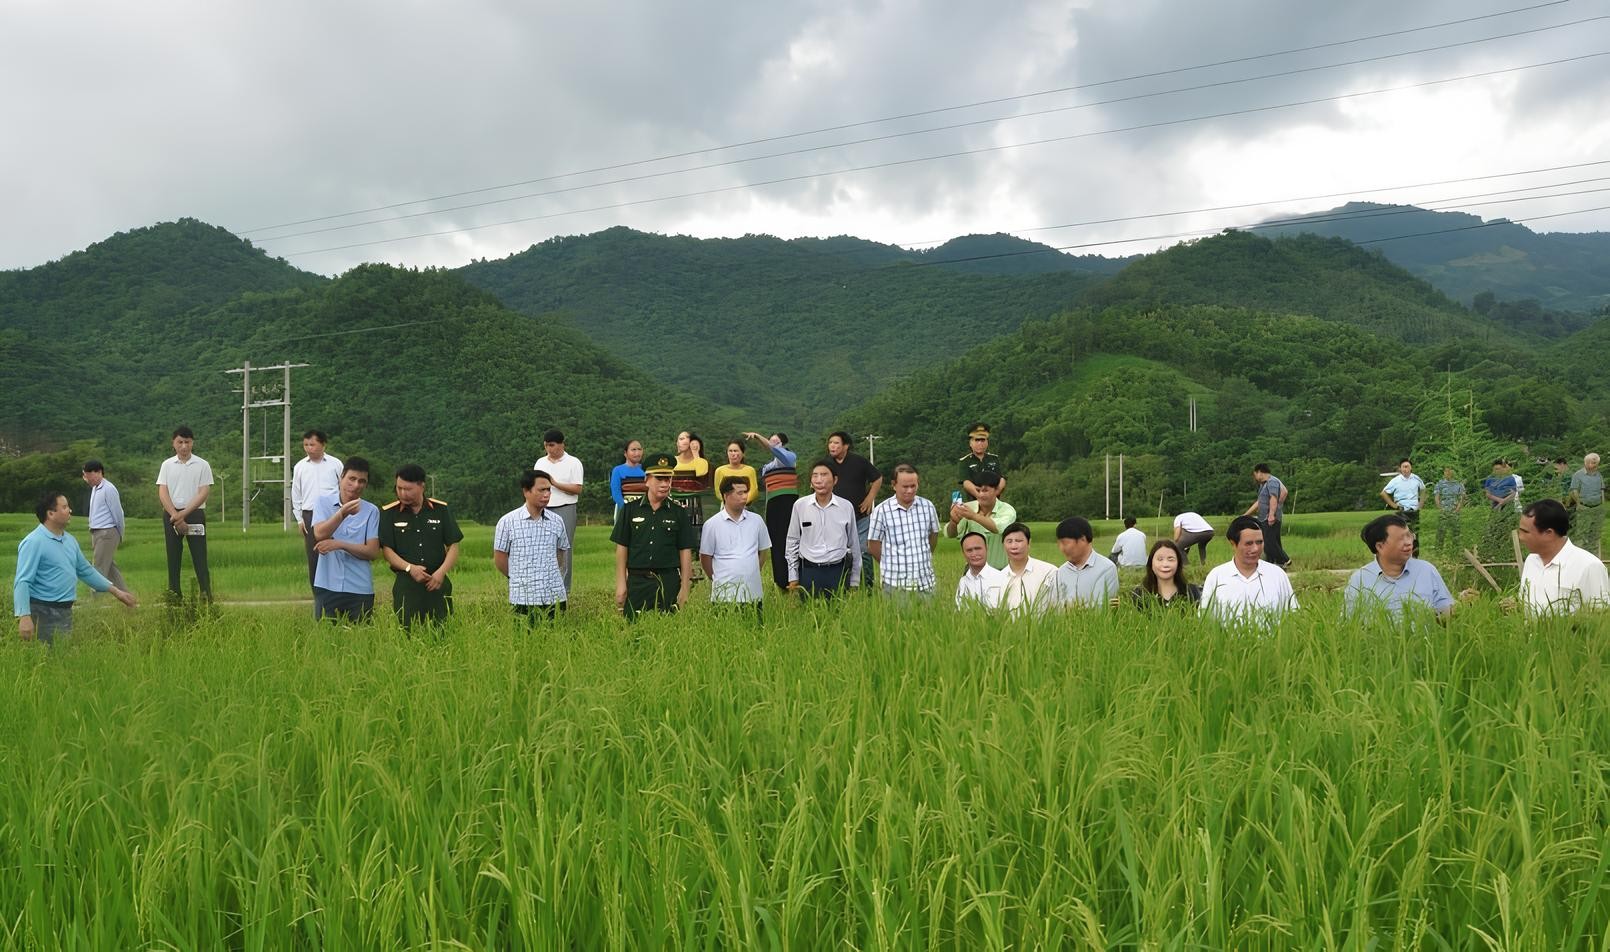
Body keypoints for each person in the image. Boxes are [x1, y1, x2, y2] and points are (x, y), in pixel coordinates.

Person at [14, 490, 137, 644]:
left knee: (62, 658)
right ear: (51, 514)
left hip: (65, 611)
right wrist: (24, 616)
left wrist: (117, 592)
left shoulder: (69, 540)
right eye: (65, 507)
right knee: (45, 660)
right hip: (42, 611)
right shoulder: (33, 542)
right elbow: (23, 581)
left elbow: (85, 570)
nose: (70, 510)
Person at [613, 452, 696, 621]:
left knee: (669, 631)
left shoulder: (678, 513)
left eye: (668, 479)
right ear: (647, 480)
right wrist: (621, 583)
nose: (665, 484)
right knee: (634, 630)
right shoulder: (630, 510)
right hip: (637, 581)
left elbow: (685, 552)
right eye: (659, 479)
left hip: (668, 580)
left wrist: (685, 588)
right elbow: (622, 548)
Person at [377, 463, 463, 628]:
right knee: (408, 632)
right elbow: (387, 550)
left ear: (421, 486)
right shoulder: (389, 513)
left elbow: (453, 544)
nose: (402, 493)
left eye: (408, 489)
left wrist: (441, 573)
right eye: (399, 488)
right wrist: (410, 568)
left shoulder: (440, 510)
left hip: (437, 582)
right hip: (407, 584)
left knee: (443, 630)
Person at [1342, 514, 1455, 619]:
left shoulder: (1426, 570)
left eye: (1409, 536)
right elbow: (1349, 622)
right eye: (1401, 538)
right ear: (1380, 546)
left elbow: (1446, 615)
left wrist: (1464, 604)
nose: (1409, 542)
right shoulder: (1360, 579)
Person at [494, 469, 572, 620]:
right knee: (524, 640)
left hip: (554, 595)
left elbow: (561, 555)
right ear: (526, 491)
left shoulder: (557, 521)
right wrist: (517, 577)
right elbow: (500, 559)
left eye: (549, 490)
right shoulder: (507, 522)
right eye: (541, 490)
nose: (547, 494)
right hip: (523, 597)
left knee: (556, 639)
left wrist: (552, 575)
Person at [311, 457, 380, 622]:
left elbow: (372, 551)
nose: (356, 485)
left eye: (362, 481)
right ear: (341, 477)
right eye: (352, 479)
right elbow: (320, 534)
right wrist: (342, 514)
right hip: (327, 585)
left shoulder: (371, 511)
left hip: (360, 588)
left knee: (360, 640)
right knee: (325, 640)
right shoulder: (322, 502)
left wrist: (339, 544)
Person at [1516, 499, 1610, 616]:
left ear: (1548, 533)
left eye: (1525, 532)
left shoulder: (1589, 566)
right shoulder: (1531, 560)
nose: (1520, 537)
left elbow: (1600, 617)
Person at [1200, 515, 1299, 626]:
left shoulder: (1277, 574)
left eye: (1259, 542)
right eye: (1248, 543)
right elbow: (1205, 619)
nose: (1255, 549)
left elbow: (1293, 614)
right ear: (1233, 544)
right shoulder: (1217, 576)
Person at [785, 460, 862, 598]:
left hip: (837, 570)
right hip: (808, 571)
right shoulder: (800, 506)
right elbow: (792, 542)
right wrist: (793, 577)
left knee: (838, 615)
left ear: (835, 479)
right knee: (809, 614)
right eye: (815, 475)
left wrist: (855, 581)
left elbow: (854, 544)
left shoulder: (846, 507)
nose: (819, 480)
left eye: (824, 475)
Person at [699, 476, 771, 619]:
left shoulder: (756, 521)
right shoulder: (712, 524)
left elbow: (763, 552)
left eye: (746, 492)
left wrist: (752, 570)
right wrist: (716, 578)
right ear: (726, 495)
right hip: (724, 594)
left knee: (755, 633)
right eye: (740, 493)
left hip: (752, 592)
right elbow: (705, 557)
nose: (745, 497)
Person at [155, 426, 214, 599]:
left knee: (199, 556)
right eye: (180, 442)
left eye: (187, 442)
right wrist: (175, 514)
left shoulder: (202, 464)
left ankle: (205, 594)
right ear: (173, 443)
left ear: (192, 443)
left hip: (194, 513)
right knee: (173, 556)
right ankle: (174, 595)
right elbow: (163, 492)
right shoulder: (167, 465)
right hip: (171, 514)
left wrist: (183, 514)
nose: (184, 446)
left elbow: (203, 493)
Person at [867, 463, 940, 598]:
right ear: (894, 485)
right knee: (898, 619)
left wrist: (924, 556)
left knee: (929, 618)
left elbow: (933, 536)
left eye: (913, 486)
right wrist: (889, 562)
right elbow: (873, 545)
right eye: (905, 487)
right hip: (895, 584)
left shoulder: (928, 506)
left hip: (925, 582)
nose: (910, 490)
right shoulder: (882, 511)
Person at [825, 431, 882, 582]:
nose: (832, 446)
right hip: (835, 518)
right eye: (830, 443)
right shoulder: (826, 464)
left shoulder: (859, 461)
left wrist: (870, 498)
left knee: (864, 551)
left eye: (836, 443)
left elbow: (877, 478)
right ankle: (845, 585)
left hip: (860, 515)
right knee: (839, 552)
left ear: (846, 446)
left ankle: (868, 585)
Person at [745, 431, 798, 593]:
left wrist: (757, 436)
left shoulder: (789, 457)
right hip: (773, 503)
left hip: (788, 503)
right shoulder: (769, 466)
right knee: (775, 542)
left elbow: (773, 450)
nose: (772, 443)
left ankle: (794, 579)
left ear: (783, 444)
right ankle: (781, 581)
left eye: (775, 441)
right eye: (771, 441)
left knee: (789, 540)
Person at [290, 429, 342, 590]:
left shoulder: (336, 464)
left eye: (312, 444)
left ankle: (338, 589)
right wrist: (299, 519)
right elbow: (296, 493)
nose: (308, 448)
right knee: (314, 556)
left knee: (336, 552)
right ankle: (318, 594)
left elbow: (343, 488)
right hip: (309, 514)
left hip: (333, 514)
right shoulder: (300, 467)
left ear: (323, 444)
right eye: (306, 445)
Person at [534, 429, 583, 593]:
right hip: (543, 509)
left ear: (562, 444)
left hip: (565, 508)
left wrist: (554, 483)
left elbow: (577, 488)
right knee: (542, 546)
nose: (549, 449)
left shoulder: (574, 462)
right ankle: (543, 586)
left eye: (552, 445)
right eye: (547, 445)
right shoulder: (540, 463)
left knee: (564, 549)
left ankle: (563, 590)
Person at [945, 471, 1015, 570]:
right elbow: (951, 534)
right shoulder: (968, 507)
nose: (981, 495)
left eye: (985, 490)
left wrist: (973, 516)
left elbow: (998, 528)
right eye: (978, 490)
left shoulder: (1007, 510)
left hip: (1000, 571)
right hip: (973, 571)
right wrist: (953, 520)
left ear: (996, 491)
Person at [1052, 517, 1119, 608]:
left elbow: (1103, 608)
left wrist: (1071, 608)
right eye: (1059, 544)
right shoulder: (1060, 572)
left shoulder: (1107, 569)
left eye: (1065, 543)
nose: (1061, 548)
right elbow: (1054, 607)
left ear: (1083, 539)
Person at [80, 459, 126, 592]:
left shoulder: (108, 489)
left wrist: (120, 533)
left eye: (88, 475)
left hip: (107, 532)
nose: (86, 479)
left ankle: (96, 601)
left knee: (98, 568)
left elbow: (118, 513)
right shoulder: (96, 488)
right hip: (97, 532)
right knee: (110, 569)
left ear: (98, 472)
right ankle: (127, 597)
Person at [999, 522, 1057, 617]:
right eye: (1009, 541)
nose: (1014, 546)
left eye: (1018, 541)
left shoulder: (1049, 571)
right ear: (1003, 545)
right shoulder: (998, 579)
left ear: (1029, 542)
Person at [1128, 540, 1202, 610]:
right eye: (1160, 559)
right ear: (1151, 564)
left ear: (1178, 563)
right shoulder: (1140, 594)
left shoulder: (1191, 592)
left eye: (1170, 559)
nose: (1165, 564)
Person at [1243, 464, 1290, 567]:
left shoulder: (1272, 481)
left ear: (1259, 472)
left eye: (1255, 475)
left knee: (1269, 543)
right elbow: (1259, 502)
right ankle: (1272, 564)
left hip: (1269, 517)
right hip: (1264, 517)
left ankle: (1285, 559)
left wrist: (1272, 514)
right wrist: (1246, 515)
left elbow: (1273, 498)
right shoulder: (1264, 485)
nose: (1255, 477)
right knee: (1272, 542)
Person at [1380, 458, 1427, 556]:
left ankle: (1415, 556)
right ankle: (1401, 555)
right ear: (1400, 469)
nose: (1405, 469)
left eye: (1407, 467)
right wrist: (1394, 505)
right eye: (1403, 467)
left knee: (1415, 534)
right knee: (1402, 534)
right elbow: (1383, 493)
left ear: (1411, 468)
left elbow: (1423, 490)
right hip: (1401, 510)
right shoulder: (1396, 481)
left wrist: (1420, 504)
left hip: (1414, 509)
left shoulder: (1416, 479)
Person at [1479, 459, 1520, 560]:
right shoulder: (1490, 479)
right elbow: (1488, 494)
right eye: (1495, 469)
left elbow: (1513, 493)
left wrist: (1503, 502)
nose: (1496, 471)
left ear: (1504, 468)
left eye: (1498, 469)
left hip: (1508, 505)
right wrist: (1498, 501)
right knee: (1493, 525)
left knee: (1507, 526)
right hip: (1495, 504)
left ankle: (1508, 550)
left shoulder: (1510, 479)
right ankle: (1491, 548)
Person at [955, 531, 1005, 609]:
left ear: (986, 548)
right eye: (969, 550)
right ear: (963, 553)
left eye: (978, 549)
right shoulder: (963, 582)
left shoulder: (1001, 578)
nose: (974, 554)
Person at [957, 423, 1006, 500]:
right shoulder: (965, 461)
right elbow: (966, 482)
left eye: (983, 440)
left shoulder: (994, 459)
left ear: (987, 442)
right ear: (970, 443)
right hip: (974, 503)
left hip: (995, 502)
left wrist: (994, 494)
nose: (980, 443)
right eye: (977, 440)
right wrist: (980, 495)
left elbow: (1002, 479)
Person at [1568, 452, 1604, 557]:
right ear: (1586, 463)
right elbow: (1573, 490)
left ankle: (1594, 557)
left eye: (1597, 463)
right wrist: (1579, 504)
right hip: (1584, 507)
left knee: (1595, 534)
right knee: (1582, 533)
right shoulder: (1578, 475)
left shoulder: (1599, 475)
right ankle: (1579, 558)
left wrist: (1602, 504)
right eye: (1593, 463)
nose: (1595, 465)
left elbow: (1602, 489)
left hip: (1597, 508)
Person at [609, 439, 646, 525]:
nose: (637, 453)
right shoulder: (618, 470)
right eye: (633, 450)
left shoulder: (646, 470)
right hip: (624, 511)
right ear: (625, 453)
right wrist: (627, 510)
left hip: (645, 511)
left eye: (639, 449)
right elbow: (616, 493)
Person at [1432, 466, 1467, 558]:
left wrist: (1457, 509)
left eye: (1449, 471)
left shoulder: (1459, 484)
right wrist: (1440, 509)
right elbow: (1437, 497)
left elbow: (1462, 498)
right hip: (1444, 511)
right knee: (1441, 532)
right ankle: (1438, 553)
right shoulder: (1440, 484)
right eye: (1446, 471)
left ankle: (1455, 552)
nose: (1448, 473)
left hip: (1455, 511)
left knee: (1456, 532)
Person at [712, 439, 759, 506]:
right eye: (730, 451)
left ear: (742, 453)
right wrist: (730, 502)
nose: (733, 454)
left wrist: (742, 501)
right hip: (726, 506)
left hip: (745, 505)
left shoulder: (750, 470)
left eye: (736, 451)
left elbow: (754, 490)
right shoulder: (720, 470)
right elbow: (718, 492)